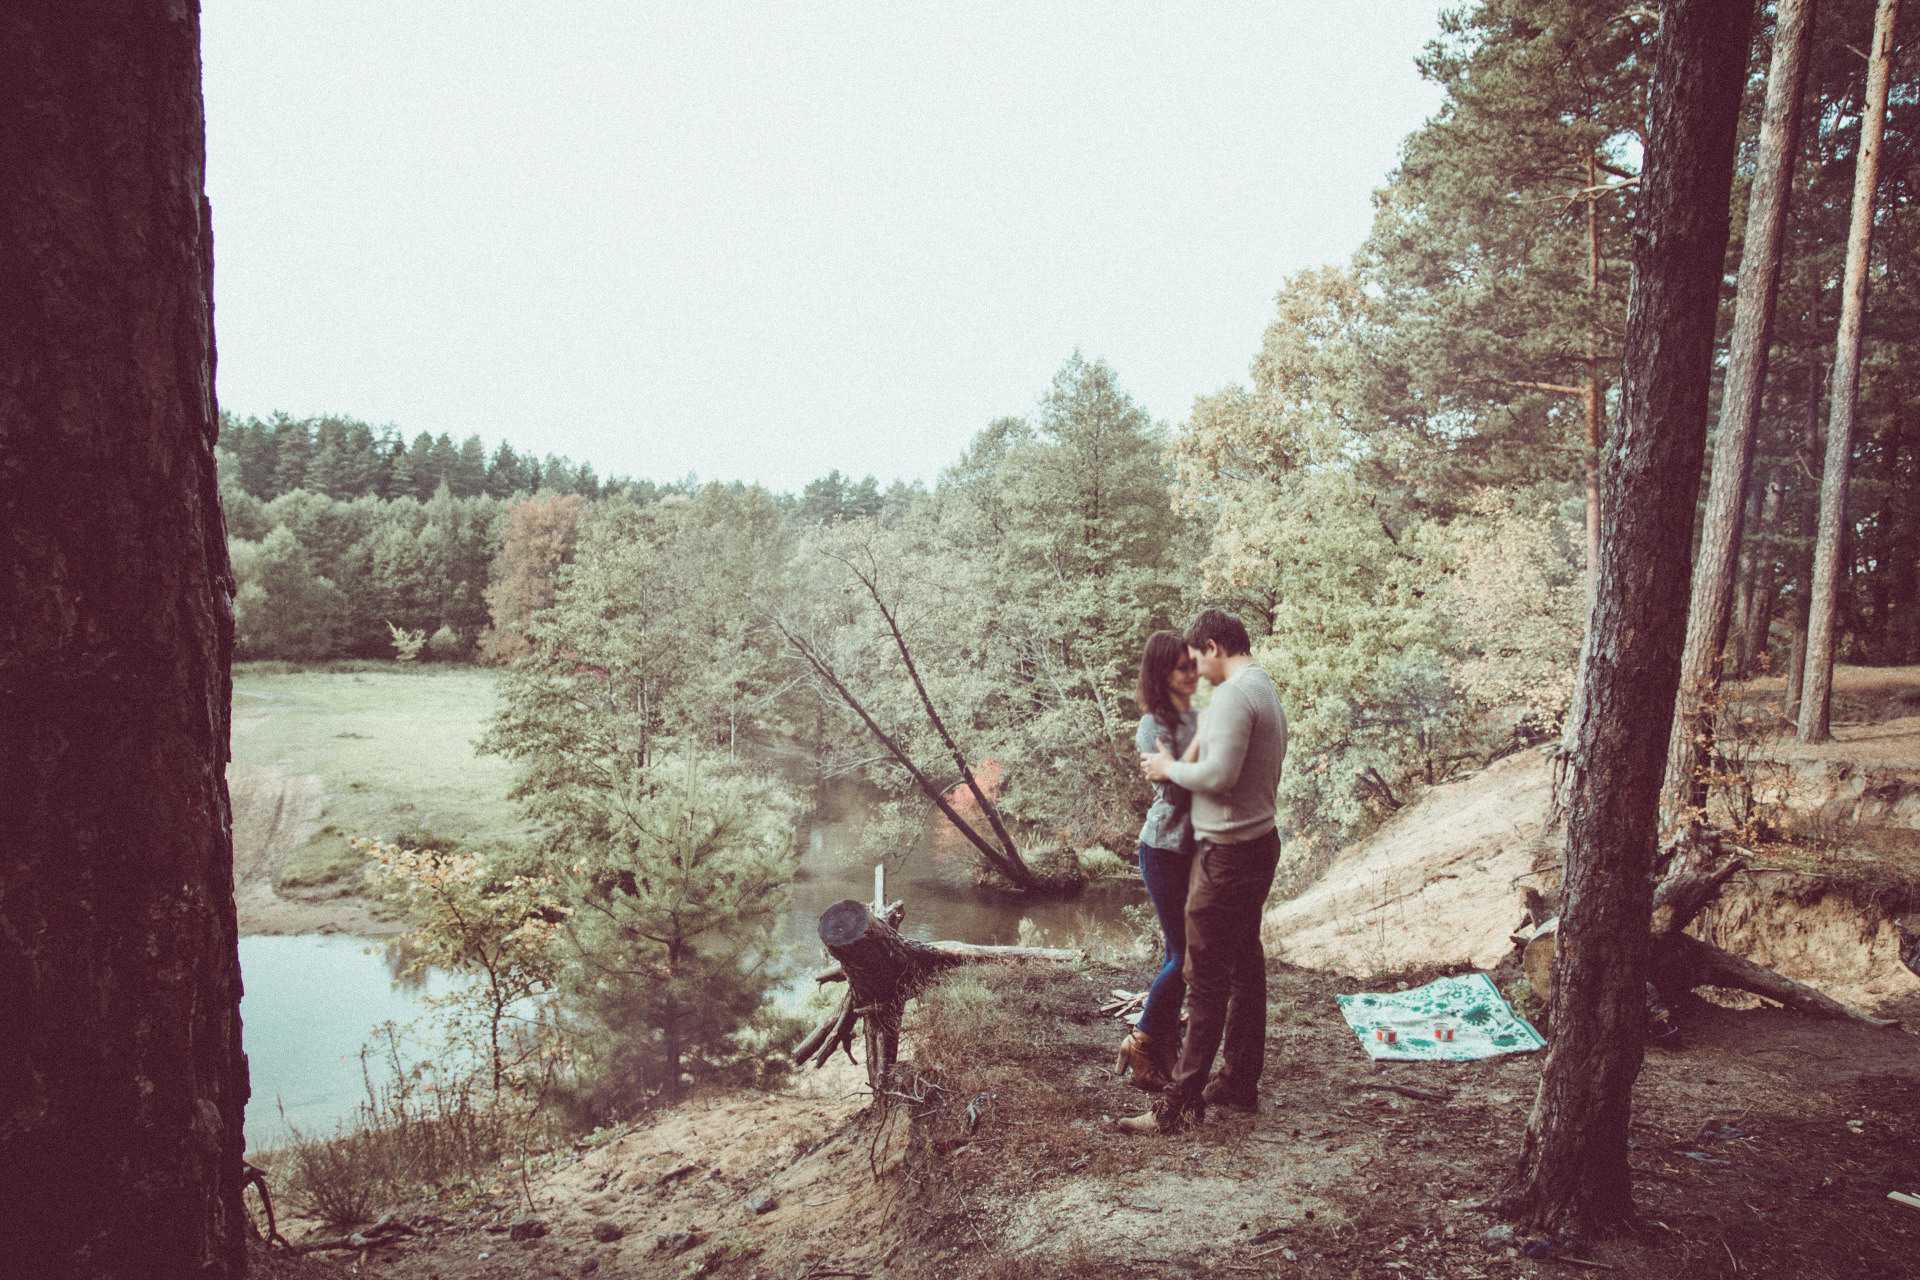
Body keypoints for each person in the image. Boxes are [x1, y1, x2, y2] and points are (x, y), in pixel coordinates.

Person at [1121, 608, 1287, 1134]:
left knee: (1207, 979)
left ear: (1213, 647)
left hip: (1232, 852)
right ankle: (1238, 1081)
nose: (1195, 671)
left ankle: (1178, 1105)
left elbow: (1218, 775)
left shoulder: (1236, 695)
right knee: (1243, 965)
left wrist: (1170, 767)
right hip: (1251, 842)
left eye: (1196, 658)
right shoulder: (1262, 686)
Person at [1114, 632, 1202, 1092]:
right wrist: (1200, 752)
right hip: (1163, 850)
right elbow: (1173, 789)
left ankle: (1162, 1044)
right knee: (1184, 954)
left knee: (1184, 954)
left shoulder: (1199, 717)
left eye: (1194, 664)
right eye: (1184, 666)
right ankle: (1143, 1039)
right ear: (1162, 674)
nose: (1194, 673)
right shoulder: (1151, 725)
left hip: (1195, 852)